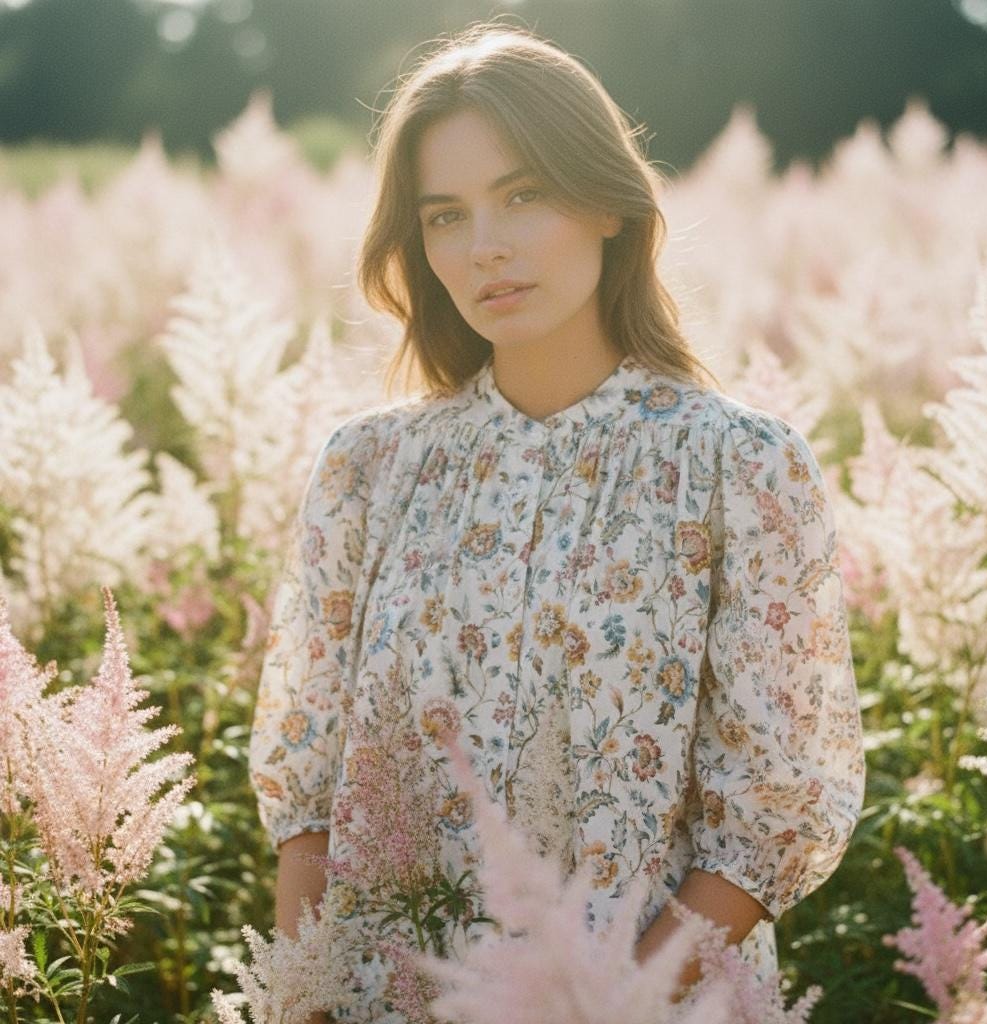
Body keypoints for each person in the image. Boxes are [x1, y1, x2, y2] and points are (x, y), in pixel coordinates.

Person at [248, 19, 866, 1022]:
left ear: (606, 204)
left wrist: (600, 1004)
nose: (484, 245)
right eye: (444, 216)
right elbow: (307, 794)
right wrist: (304, 1004)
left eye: (523, 195)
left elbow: (770, 817)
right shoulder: (366, 468)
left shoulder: (736, 466)